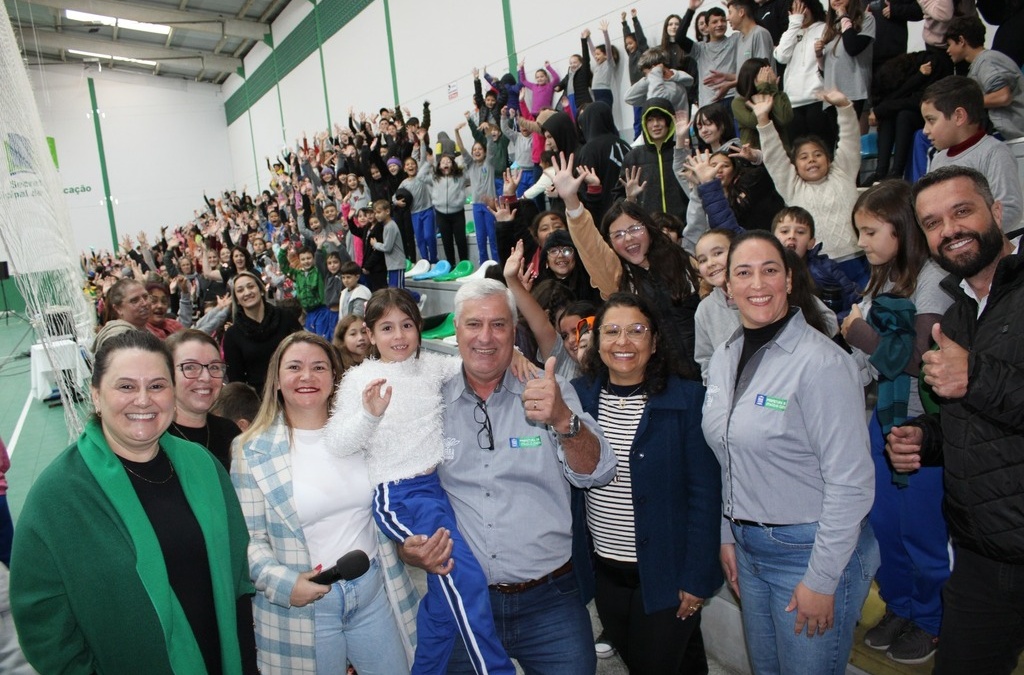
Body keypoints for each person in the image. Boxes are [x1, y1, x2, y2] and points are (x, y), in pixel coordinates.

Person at [401, 279, 617, 674]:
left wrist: (563, 420)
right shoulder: (428, 400)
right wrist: (407, 548)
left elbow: (598, 472)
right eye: (474, 324)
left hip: (550, 600)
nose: (486, 337)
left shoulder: (549, 389)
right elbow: (399, 488)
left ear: (514, 332)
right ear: (455, 326)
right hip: (463, 603)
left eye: (499, 325)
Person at [10, 330, 257, 674]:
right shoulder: (59, 495)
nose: (143, 400)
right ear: (96, 396)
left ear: (172, 393)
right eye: (126, 387)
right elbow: (43, 622)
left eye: (157, 386)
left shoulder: (203, 467)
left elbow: (238, 580)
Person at [702, 230, 879, 674]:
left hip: (811, 553)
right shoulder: (725, 357)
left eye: (769, 271)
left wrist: (821, 581)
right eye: (743, 273)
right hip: (748, 548)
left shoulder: (822, 363)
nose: (757, 284)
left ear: (788, 281)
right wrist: (729, 531)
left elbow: (851, 483)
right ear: (727, 287)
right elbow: (730, 453)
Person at [326, 289, 515, 675]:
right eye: (387, 328)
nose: (399, 336)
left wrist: (519, 357)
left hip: (438, 489)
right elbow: (338, 442)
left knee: (443, 602)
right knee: (464, 578)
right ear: (370, 334)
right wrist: (369, 415)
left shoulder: (431, 365)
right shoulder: (360, 378)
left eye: (407, 325)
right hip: (399, 496)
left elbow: (477, 363)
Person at [886, 165, 1024, 675]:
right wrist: (925, 439)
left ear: (998, 213)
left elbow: (979, 384)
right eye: (933, 223)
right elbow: (974, 418)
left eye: (961, 211)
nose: (950, 230)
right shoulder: (961, 307)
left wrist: (978, 376)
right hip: (983, 551)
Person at [232, 332, 417, 674]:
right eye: (295, 367)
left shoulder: (363, 431)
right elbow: (249, 541)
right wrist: (285, 584)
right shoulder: (251, 451)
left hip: (375, 592)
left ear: (335, 377)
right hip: (306, 608)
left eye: (319, 367)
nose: (307, 376)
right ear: (276, 379)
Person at [572, 293, 723, 674]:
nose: (623, 342)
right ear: (597, 341)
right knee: (681, 661)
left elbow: (705, 495)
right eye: (612, 331)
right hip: (606, 571)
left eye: (637, 331)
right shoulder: (577, 399)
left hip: (667, 577)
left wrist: (697, 576)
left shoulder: (687, 400)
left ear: (655, 342)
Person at [840, 180, 952, 665]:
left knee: (922, 530)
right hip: (883, 417)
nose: (861, 242)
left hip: (921, 427)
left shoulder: (934, 278)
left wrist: (860, 334)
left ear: (900, 229)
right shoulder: (881, 277)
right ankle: (900, 606)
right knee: (885, 523)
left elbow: (920, 359)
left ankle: (931, 620)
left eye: (870, 231)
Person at [921, 76, 1024, 235]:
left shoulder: (994, 152)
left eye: (931, 120)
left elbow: (1010, 209)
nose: (925, 130)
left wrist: (973, 237)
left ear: (959, 116)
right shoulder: (938, 159)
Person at [165, 329, 241, 472]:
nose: (206, 377)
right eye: (190, 367)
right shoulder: (155, 438)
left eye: (214, 367)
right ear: (167, 373)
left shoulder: (230, 432)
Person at [944, 16, 1024, 141]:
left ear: (961, 40)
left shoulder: (987, 61)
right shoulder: (982, 62)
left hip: (1007, 132)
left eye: (949, 44)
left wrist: (965, 104)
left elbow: (1003, 96)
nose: (948, 50)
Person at [221, 271, 303, 394]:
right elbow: (236, 380)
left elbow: (303, 351)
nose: (247, 293)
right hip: (259, 400)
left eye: (250, 286)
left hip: (294, 389)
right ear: (237, 299)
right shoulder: (232, 335)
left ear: (261, 290)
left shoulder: (286, 317)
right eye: (240, 290)